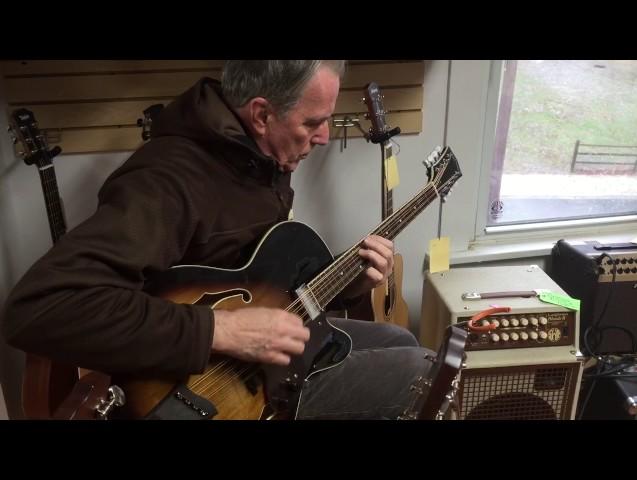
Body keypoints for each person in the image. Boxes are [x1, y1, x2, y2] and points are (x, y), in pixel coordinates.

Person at [2, 60, 435, 420]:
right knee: (422, 369)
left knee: (402, 340)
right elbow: (39, 309)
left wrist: (351, 280)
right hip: (196, 388)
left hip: (253, 360)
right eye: (313, 122)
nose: (323, 137)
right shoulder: (167, 181)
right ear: (262, 114)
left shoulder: (259, 158)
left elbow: (257, 276)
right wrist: (221, 330)